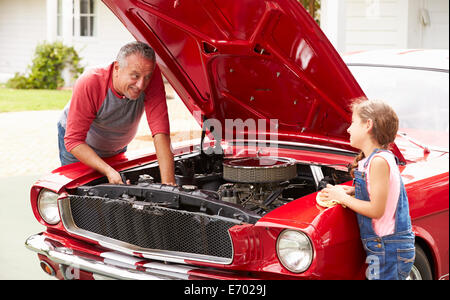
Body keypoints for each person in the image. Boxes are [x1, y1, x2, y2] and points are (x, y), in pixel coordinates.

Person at [57, 41, 175, 185]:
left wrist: (169, 185)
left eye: (147, 77)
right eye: (135, 76)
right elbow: (73, 140)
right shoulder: (91, 82)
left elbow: (160, 130)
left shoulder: (149, 73)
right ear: (117, 68)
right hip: (78, 145)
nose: (141, 85)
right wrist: (108, 170)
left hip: (116, 145)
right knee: (80, 192)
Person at [321, 98, 415, 280]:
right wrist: (352, 192)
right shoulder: (373, 160)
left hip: (389, 249)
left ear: (368, 125)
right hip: (383, 247)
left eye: (353, 122)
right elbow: (378, 194)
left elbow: (376, 210)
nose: (348, 129)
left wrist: (341, 197)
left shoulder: (379, 162)